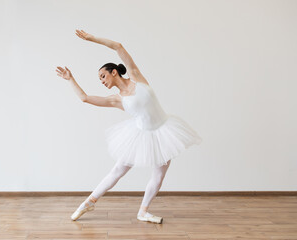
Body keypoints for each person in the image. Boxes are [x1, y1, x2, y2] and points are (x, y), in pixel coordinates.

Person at [55, 29, 202, 224]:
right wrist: (70, 79)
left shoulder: (137, 77)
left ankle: (143, 211)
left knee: (159, 173)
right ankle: (88, 202)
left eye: (103, 76)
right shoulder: (116, 100)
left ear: (113, 72)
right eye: (100, 79)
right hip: (139, 136)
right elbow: (85, 98)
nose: (102, 81)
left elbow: (118, 46)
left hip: (163, 130)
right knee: (117, 171)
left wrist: (92, 39)